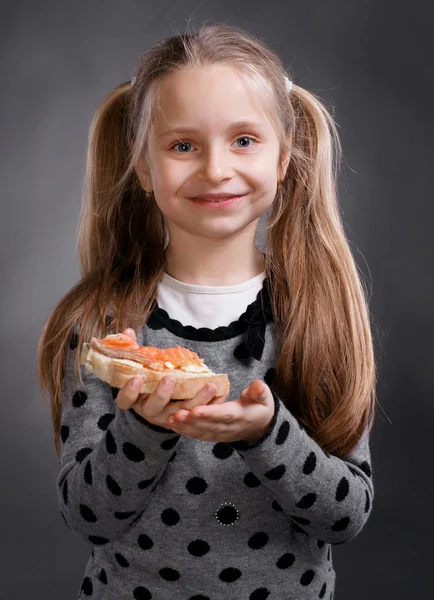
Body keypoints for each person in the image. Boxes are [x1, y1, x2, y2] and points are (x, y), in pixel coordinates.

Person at [37, 22, 377, 600]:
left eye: (244, 140)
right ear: (144, 168)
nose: (216, 168)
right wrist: (145, 423)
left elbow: (345, 516)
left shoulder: (317, 316)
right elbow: (87, 517)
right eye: (183, 145)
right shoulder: (97, 325)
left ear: (285, 158)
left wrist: (268, 433)